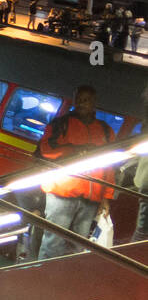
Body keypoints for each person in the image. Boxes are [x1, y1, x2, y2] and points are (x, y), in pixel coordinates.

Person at [36, 85, 116, 260]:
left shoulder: (106, 131)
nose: (81, 103)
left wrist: (106, 197)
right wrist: (75, 150)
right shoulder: (60, 124)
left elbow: (109, 167)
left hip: (90, 199)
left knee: (79, 247)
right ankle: (44, 280)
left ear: (94, 103)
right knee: (53, 243)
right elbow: (46, 150)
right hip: (60, 194)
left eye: (86, 100)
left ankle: (68, 282)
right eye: (79, 99)